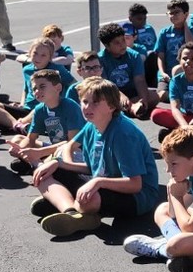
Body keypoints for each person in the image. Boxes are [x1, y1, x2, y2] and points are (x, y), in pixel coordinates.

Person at [29, 78, 159, 237]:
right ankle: (72, 212)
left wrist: (98, 182)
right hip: (105, 183)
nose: (87, 107)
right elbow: (91, 168)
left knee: (91, 197)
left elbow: (135, 184)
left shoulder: (123, 134)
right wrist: (57, 163)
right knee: (45, 171)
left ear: (111, 106)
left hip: (137, 197)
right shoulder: (92, 124)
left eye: (95, 102)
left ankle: (63, 202)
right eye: (84, 101)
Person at [123, 127, 193, 272]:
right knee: (162, 209)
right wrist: (173, 193)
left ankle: (162, 249)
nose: (168, 170)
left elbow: (190, 228)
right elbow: (172, 213)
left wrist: (176, 196)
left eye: (173, 164)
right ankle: (181, 256)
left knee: (175, 244)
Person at [7, 68, 85, 171]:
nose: (37, 91)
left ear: (58, 88)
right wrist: (20, 150)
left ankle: (38, 165)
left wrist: (41, 152)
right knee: (18, 140)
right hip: (54, 148)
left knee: (61, 155)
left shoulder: (70, 107)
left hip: (76, 151)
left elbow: (71, 143)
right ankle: (38, 164)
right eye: (34, 88)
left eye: (42, 87)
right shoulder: (40, 109)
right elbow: (31, 139)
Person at [151, 43, 193, 138]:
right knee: (156, 114)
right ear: (179, 61)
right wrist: (184, 125)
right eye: (184, 59)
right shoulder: (176, 81)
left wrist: (192, 125)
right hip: (183, 116)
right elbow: (175, 107)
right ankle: (191, 135)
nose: (188, 61)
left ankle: (175, 134)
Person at [98, 22, 152, 118]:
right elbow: (106, 84)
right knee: (108, 102)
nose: (122, 45)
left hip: (133, 93)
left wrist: (143, 99)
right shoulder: (100, 59)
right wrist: (120, 96)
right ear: (107, 46)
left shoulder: (134, 55)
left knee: (154, 97)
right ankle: (133, 109)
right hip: (113, 93)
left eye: (123, 40)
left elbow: (139, 80)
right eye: (117, 43)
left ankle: (132, 108)